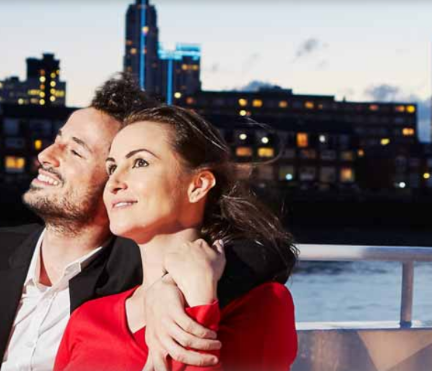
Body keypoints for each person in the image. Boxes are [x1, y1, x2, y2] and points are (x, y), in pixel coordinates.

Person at [0, 74, 293, 371]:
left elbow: (270, 251)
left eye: (74, 150)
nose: (44, 155)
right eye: (113, 164)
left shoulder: (129, 265)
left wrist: (177, 288)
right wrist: (165, 286)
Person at [54, 105, 298, 371]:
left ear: (198, 185)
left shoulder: (263, 305)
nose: (114, 182)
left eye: (140, 162)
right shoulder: (87, 318)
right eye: (112, 168)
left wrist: (198, 302)